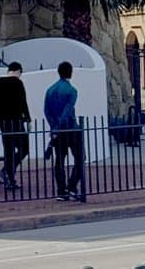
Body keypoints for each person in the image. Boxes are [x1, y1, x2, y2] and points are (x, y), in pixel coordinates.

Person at [44, 60, 84, 201]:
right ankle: (72, 186)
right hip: (70, 129)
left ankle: (61, 191)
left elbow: (47, 111)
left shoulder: (50, 90)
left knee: (60, 160)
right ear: (71, 72)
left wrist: (54, 126)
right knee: (80, 158)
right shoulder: (72, 91)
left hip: (56, 131)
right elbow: (67, 111)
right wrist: (60, 124)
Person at [0, 61, 31, 190]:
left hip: (3, 123)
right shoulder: (18, 83)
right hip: (16, 121)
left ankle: (8, 176)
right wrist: (28, 119)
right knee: (24, 148)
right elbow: (23, 102)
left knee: (8, 150)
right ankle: (8, 172)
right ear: (18, 71)